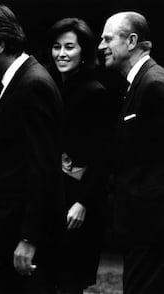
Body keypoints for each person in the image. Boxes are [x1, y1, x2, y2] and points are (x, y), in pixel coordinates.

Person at [0, 5, 65, 294]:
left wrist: (30, 238)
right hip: (6, 239)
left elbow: (43, 168)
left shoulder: (33, 86)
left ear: (1, 44)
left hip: (20, 244)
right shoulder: (15, 83)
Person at [47, 18, 118, 294]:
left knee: (70, 282)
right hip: (55, 194)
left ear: (84, 52)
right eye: (56, 47)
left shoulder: (94, 92)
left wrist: (83, 202)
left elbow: (104, 155)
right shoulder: (51, 85)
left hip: (80, 200)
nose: (61, 53)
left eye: (69, 47)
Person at [98, 11, 164, 294]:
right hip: (140, 228)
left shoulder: (154, 85)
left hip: (151, 229)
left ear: (132, 40)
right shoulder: (138, 84)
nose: (101, 46)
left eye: (108, 38)